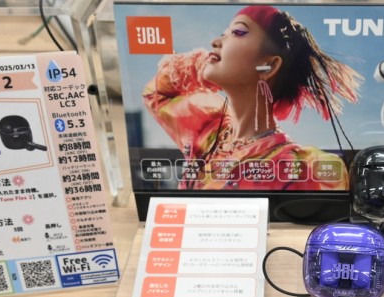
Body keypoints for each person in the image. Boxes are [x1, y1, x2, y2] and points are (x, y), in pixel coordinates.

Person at [143, 5, 362, 191]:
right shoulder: (208, 131)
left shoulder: (303, 167)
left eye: (238, 32)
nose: (216, 41)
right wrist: (199, 64)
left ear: (269, 66)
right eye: (223, 32)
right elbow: (156, 93)